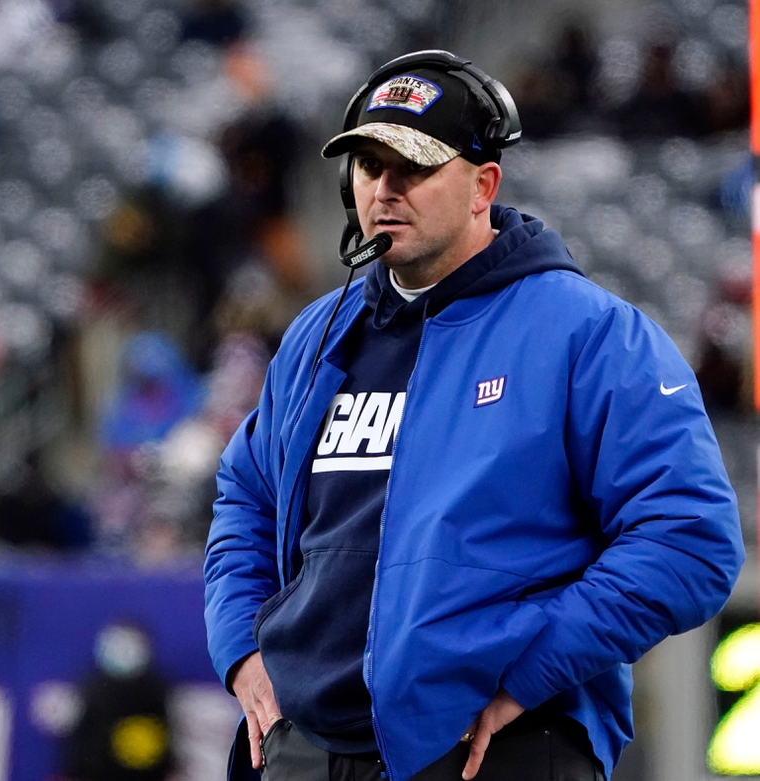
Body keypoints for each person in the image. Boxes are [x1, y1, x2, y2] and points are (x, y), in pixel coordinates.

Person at [203, 50, 744, 781]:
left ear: (484, 183)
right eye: (367, 167)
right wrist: (243, 649)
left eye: (414, 168)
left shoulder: (585, 333)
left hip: (489, 749)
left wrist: (532, 668)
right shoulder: (315, 337)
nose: (384, 190)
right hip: (308, 748)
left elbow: (691, 539)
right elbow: (245, 495)